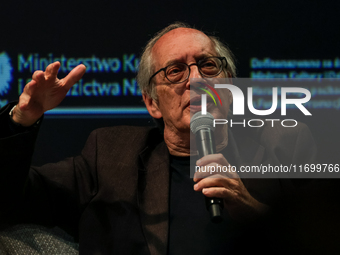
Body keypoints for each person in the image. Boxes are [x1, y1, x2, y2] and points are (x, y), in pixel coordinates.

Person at [0, 22, 316, 254]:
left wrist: (252, 210)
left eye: (207, 65)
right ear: (152, 103)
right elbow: (10, 202)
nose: (196, 80)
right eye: (175, 71)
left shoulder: (283, 145)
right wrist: (22, 119)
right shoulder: (109, 154)